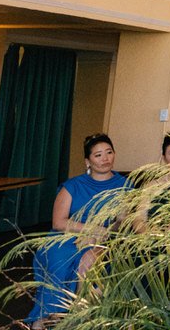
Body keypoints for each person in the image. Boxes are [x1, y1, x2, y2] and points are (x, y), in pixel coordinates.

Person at [27, 133, 130, 328]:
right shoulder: (73, 185)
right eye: (98, 155)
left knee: (86, 262)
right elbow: (58, 222)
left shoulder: (124, 186)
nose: (105, 158)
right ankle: (49, 314)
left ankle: (75, 316)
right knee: (57, 259)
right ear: (87, 161)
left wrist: (102, 233)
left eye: (109, 152)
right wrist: (89, 229)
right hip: (66, 236)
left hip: (103, 240)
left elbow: (122, 223)